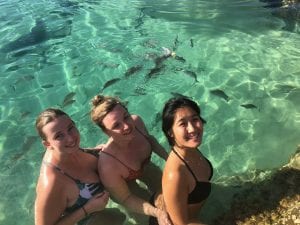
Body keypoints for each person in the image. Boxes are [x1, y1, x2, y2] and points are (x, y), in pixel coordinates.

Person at [90, 95, 171, 225]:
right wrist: (157, 212)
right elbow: (126, 198)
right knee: (151, 219)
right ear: (106, 132)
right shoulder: (108, 165)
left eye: (126, 116)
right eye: (117, 125)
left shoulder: (137, 122)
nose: (127, 126)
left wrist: (171, 160)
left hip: (145, 166)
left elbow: (150, 140)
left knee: (171, 194)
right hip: (124, 186)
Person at [34, 108, 125, 225]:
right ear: (47, 144)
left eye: (70, 128)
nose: (71, 139)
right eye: (59, 136)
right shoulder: (52, 182)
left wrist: (95, 151)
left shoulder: (68, 150)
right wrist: (87, 209)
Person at [152, 96, 213, 225]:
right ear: (170, 132)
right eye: (183, 124)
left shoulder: (190, 148)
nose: (192, 129)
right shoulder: (175, 174)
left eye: (195, 119)